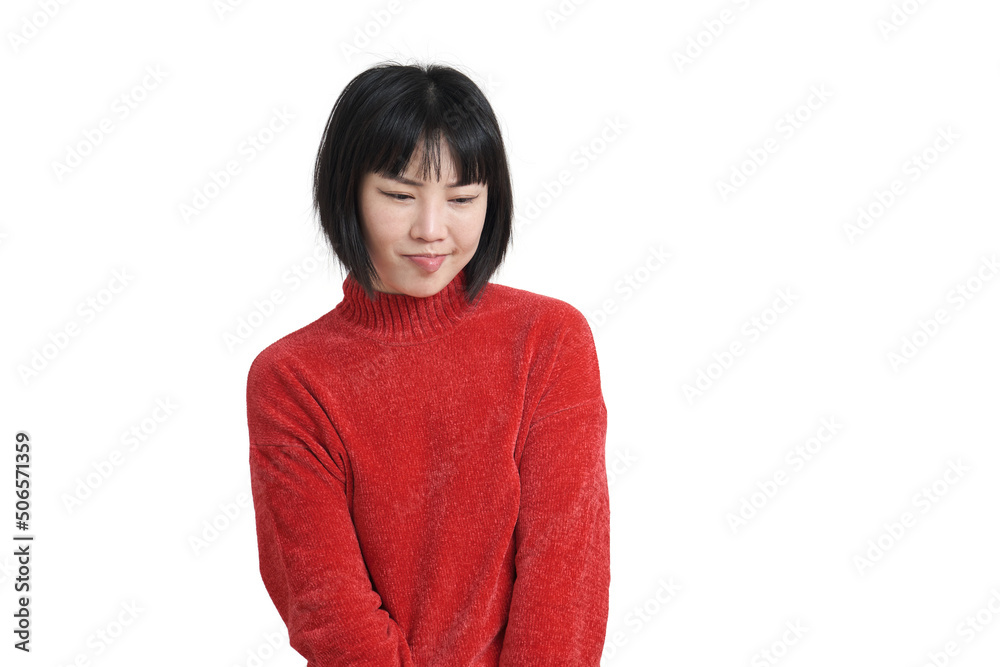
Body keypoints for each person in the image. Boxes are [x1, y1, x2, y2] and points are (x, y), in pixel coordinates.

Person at [246, 60, 610, 666]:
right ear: (346, 191)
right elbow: (327, 610)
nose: (432, 229)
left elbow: (565, 576)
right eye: (399, 195)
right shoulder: (291, 379)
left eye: (462, 198)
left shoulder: (548, 340)